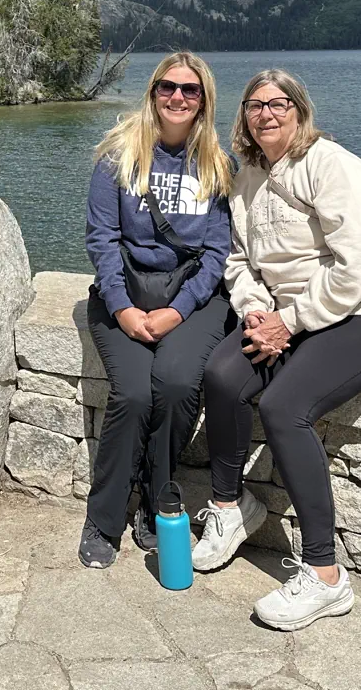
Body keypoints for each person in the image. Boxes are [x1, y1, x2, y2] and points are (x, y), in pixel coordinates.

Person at [191, 68, 361, 630]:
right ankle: (230, 507)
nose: (266, 113)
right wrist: (256, 312)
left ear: (299, 110)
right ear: (243, 117)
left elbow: (359, 266)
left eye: (279, 103)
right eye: (254, 104)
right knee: (222, 375)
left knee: (284, 408)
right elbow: (239, 261)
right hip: (294, 321)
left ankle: (325, 576)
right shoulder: (246, 179)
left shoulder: (328, 163)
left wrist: (288, 323)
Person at [79, 50, 234, 568]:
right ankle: (103, 518)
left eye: (190, 90)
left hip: (192, 299)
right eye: (168, 87)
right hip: (125, 293)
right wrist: (122, 309)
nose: (177, 98)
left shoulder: (216, 164)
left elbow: (217, 254)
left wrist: (179, 310)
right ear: (152, 93)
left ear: (204, 100)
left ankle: (154, 501)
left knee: (174, 385)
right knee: (134, 394)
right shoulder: (117, 159)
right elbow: (101, 240)